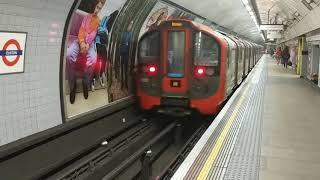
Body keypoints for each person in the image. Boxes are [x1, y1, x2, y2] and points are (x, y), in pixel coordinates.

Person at [66, 0, 105, 104]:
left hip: (90, 43)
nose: (98, 10)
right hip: (79, 40)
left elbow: (93, 34)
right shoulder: (86, 17)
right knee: (69, 54)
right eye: (97, 7)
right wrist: (82, 42)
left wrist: (87, 44)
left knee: (93, 59)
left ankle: (85, 82)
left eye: (100, 8)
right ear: (93, 6)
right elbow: (81, 30)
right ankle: (72, 86)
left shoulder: (98, 21)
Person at [92, 10, 119, 91]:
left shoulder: (109, 22)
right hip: (98, 43)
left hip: (103, 44)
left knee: (103, 62)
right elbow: (98, 28)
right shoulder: (106, 19)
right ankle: (94, 78)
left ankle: (100, 75)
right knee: (97, 61)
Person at [120, 21, 133, 89]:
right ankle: (122, 83)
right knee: (122, 69)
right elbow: (121, 43)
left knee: (126, 70)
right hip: (122, 53)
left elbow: (131, 44)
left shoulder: (131, 34)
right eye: (129, 25)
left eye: (131, 25)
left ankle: (126, 84)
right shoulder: (123, 34)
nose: (130, 27)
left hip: (127, 54)